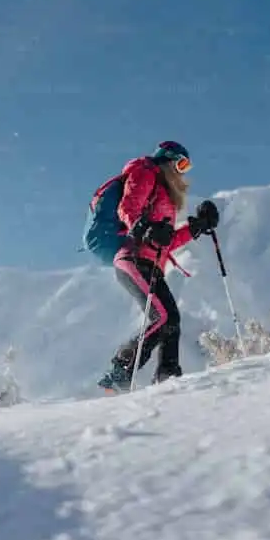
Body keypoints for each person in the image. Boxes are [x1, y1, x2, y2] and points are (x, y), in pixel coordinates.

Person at [97, 140, 219, 394]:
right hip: (132, 258)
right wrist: (145, 227)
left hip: (151, 263)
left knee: (171, 319)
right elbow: (127, 208)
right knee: (162, 317)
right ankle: (120, 370)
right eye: (181, 164)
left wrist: (196, 227)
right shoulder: (145, 172)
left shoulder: (164, 193)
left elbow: (166, 241)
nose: (182, 171)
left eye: (187, 166)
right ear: (167, 160)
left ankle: (168, 375)